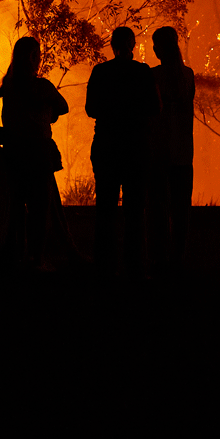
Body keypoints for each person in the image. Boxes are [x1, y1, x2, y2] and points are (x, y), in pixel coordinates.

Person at [86, 26, 160, 279]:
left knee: (105, 206)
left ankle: (104, 264)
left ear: (112, 45)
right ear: (133, 45)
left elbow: (91, 109)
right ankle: (135, 264)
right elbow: (155, 107)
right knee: (135, 208)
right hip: (136, 146)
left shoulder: (101, 71)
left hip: (107, 143)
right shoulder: (142, 72)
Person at [0, 36, 69, 269]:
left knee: (15, 209)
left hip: (12, 153)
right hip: (38, 155)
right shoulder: (42, 87)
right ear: (32, 58)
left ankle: (15, 256)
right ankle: (36, 258)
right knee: (39, 211)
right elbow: (63, 107)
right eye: (37, 55)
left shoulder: (7, 87)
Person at [149, 26, 195, 274]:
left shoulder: (153, 76)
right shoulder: (188, 75)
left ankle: (159, 257)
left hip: (159, 153)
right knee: (180, 209)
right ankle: (178, 257)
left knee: (158, 208)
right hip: (183, 153)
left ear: (158, 48)